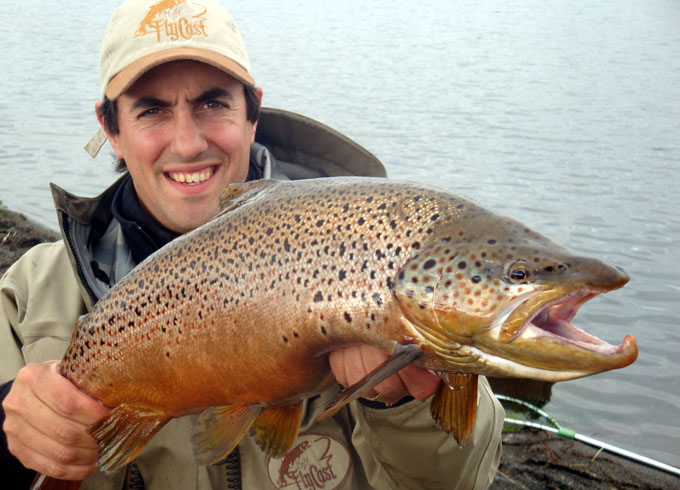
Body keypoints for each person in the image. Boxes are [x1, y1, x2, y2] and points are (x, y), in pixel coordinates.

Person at [0, 0, 504, 488]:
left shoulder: (371, 256)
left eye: (212, 103)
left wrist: (401, 404)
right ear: (110, 128)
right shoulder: (27, 296)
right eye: (152, 110)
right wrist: (11, 434)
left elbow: (459, 481)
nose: (188, 142)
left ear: (252, 112)